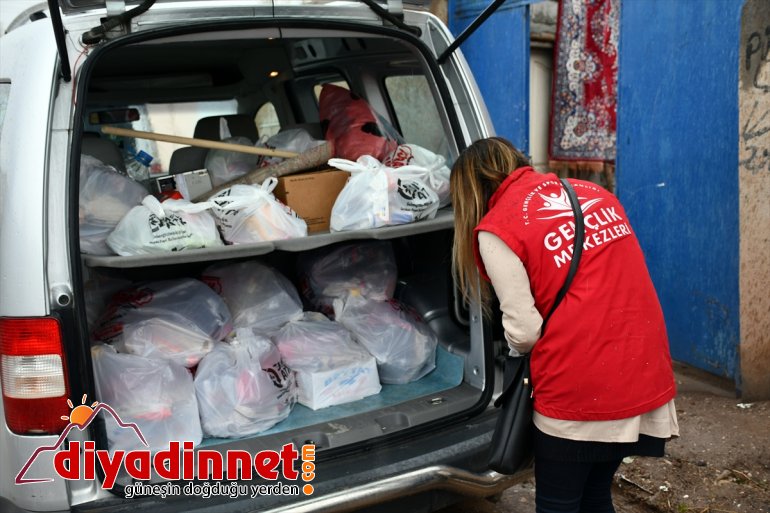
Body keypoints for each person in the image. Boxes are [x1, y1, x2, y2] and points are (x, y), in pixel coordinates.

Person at [450, 137, 679, 513]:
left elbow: (524, 332)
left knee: (559, 503)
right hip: (640, 370)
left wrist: (511, 351)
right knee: (595, 494)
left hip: (577, 391)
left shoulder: (498, 227)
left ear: (470, 190)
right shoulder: (595, 193)